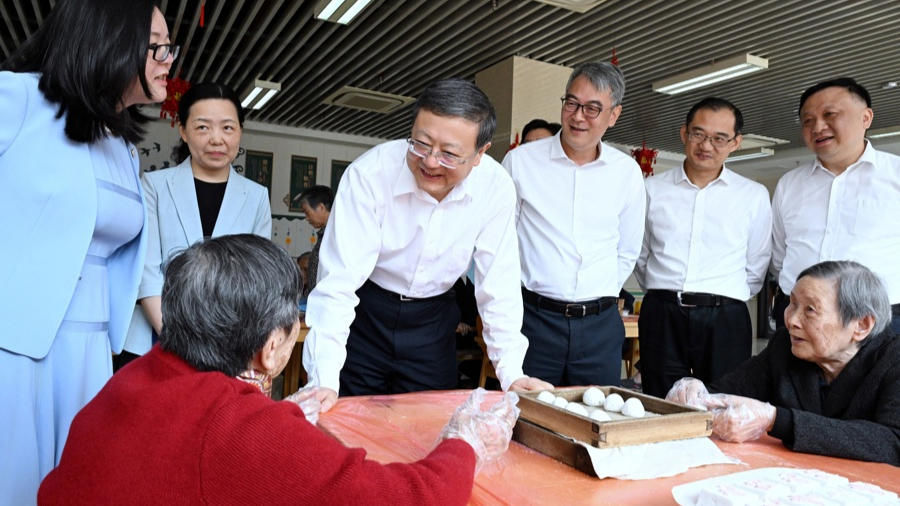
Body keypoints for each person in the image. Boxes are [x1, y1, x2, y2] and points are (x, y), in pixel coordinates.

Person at [38, 234, 522, 505]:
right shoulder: (240, 430)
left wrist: (278, 423)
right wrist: (464, 441)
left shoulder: (133, 378)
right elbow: (407, 501)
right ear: (271, 349)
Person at [0, 0, 174, 502]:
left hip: (92, 351)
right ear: (109, 40)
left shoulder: (123, 145)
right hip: (17, 348)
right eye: (157, 47)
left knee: (78, 483)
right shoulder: (20, 100)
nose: (169, 59)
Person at [303, 78, 551, 412]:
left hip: (433, 323)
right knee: (348, 423)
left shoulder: (495, 188)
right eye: (421, 144)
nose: (430, 161)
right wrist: (324, 378)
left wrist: (511, 371)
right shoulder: (370, 174)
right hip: (366, 315)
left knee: (426, 430)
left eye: (449, 154)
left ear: (480, 153)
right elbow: (337, 286)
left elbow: (498, 284)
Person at [666, 261, 900, 466]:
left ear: (861, 325)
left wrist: (775, 419)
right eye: (792, 304)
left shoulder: (893, 358)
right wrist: (696, 392)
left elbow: (891, 442)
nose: (792, 320)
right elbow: (728, 392)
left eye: (810, 309)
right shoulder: (785, 348)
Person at [502, 62, 646, 387]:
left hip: (599, 328)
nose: (578, 116)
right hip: (534, 320)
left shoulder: (626, 172)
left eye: (593, 108)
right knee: (526, 421)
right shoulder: (522, 162)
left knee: (594, 422)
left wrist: (594, 296)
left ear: (614, 115)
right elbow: (500, 242)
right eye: (572, 103)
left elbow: (628, 249)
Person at [120, 82, 272, 366]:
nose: (217, 139)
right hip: (157, 337)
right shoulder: (155, 185)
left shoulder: (256, 196)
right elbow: (147, 272)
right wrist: (179, 343)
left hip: (227, 345)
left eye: (228, 128)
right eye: (203, 127)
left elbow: (257, 283)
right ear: (183, 131)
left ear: (240, 131)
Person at [634, 97, 772, 398]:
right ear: (684, 134)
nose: (706, 146)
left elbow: (757, 264)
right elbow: (641, 255)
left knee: (725, 403)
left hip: (726, 319)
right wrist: (665, 293)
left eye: (719, 138)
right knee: (659, 403)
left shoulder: (753, 196)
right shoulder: (652, 190)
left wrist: (718, 297)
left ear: (736, 142)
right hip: (663, 314)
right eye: (698, 134)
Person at [771, 77, 900, 333]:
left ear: (866, 118)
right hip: (798, 317)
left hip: (878, 320)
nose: (818, 126)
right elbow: (779, 254)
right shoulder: (790, 184)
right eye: (808, 120)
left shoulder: (896, 175)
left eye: (830, 114)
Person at [296, 185, 334, 298]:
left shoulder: (336, 233)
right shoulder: (326, 232)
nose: (307, 218)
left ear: (321, 208)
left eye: (307, 212)